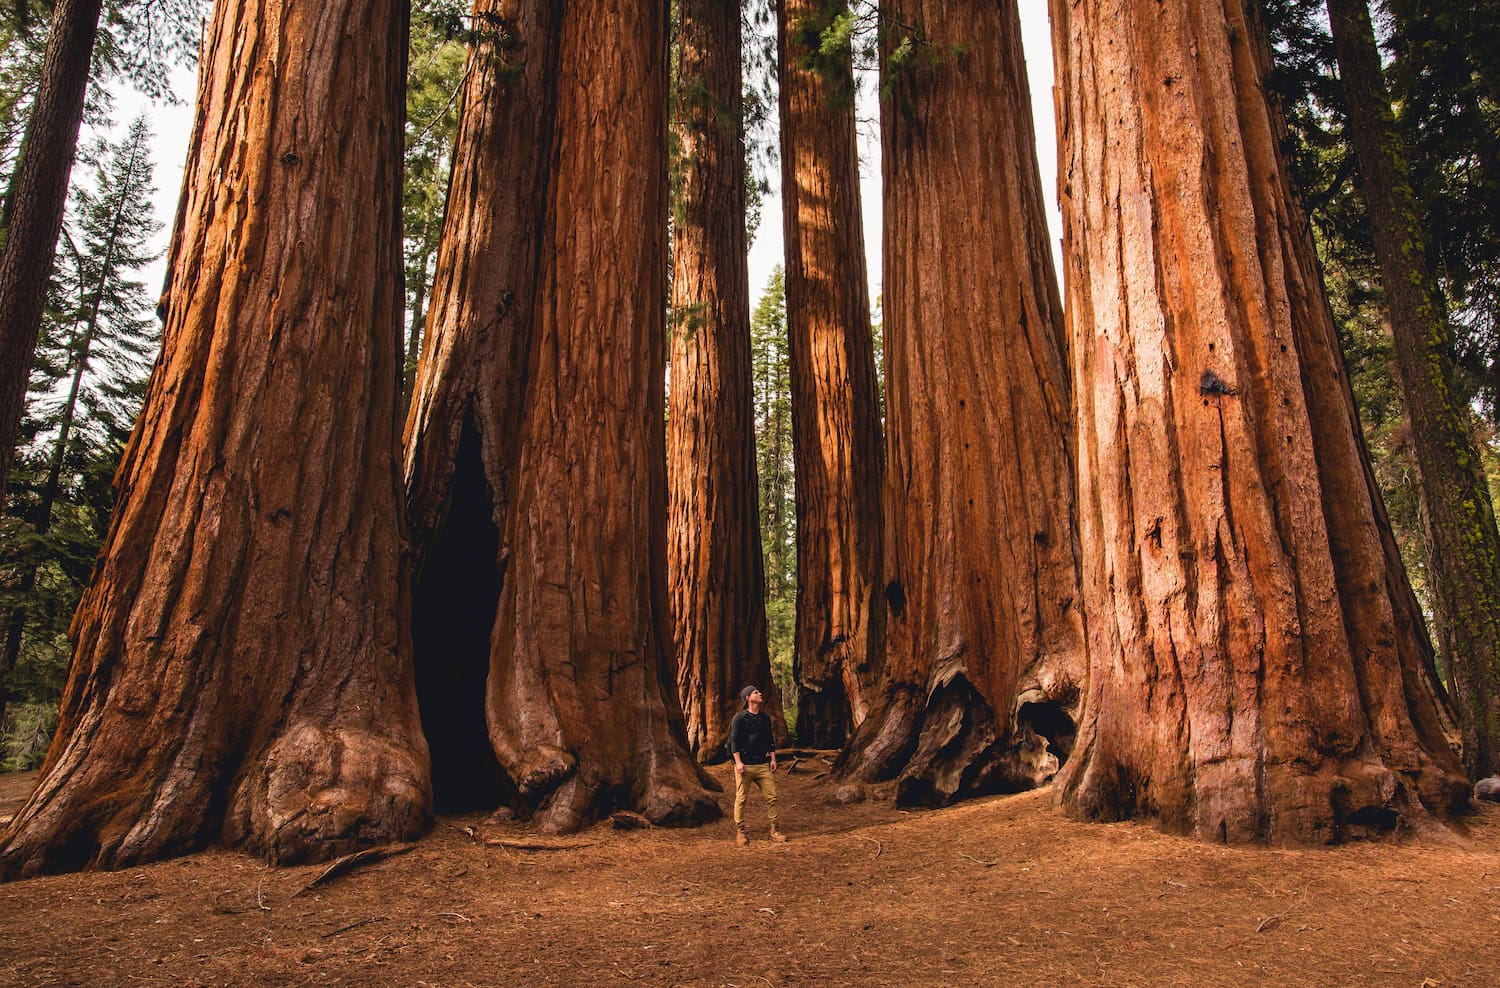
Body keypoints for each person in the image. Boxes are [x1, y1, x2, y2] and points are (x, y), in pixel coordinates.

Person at [728, 684, 785, 846]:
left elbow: (769, 739)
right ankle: (740, 831)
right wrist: (738, 762)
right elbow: (734, 741)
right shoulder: (739, 718)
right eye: (755, 692)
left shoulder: (764, 718)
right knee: (741, 798)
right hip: (744, 766)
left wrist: (773, 758)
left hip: (762, 764)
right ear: (748, 698)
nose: (759, 694)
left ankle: (774, 830)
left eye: (759, 691)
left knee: (771, 797)